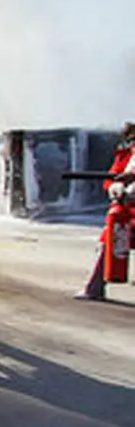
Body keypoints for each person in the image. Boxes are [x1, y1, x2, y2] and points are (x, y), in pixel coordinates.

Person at [76, 121, 135, 300]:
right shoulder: (127, 154)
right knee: (109, 242)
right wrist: (116, 187)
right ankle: (94, 287)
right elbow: (112, 177)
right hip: (127, 213)